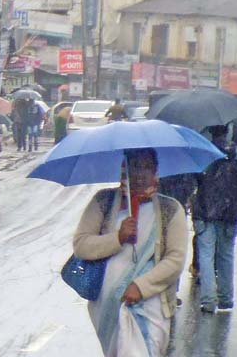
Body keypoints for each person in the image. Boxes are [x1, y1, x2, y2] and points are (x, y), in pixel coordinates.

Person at [73, 149, 187, 356]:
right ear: (124, 169)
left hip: (151, 303)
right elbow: (82, 245)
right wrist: (117, 237)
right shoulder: (104, 202)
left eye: (147, 167)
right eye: (135, 166)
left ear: (155, 171)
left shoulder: (170, 209)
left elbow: (175, 259)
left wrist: (140, 286)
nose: (141, 173)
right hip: (107, 305)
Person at [192, 124, 237, 314]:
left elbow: (194, 181)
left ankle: (208, 301)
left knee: (206, 256)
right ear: (228, 131)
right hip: (230, 213)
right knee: (226, 256)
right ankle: (226, 299)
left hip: (205, 213)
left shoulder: (203, 152)